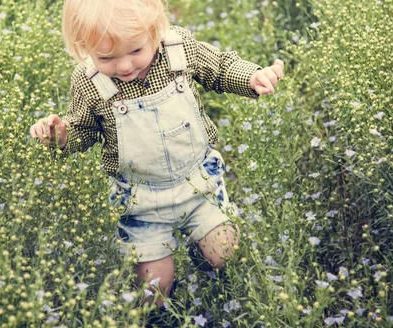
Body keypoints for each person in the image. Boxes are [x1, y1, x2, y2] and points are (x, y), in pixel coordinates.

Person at [30, 0, 284, 305]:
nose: (124, 66)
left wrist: (252, 77)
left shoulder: (179, 49)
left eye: (136, 50)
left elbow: (220, 67)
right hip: (141, 199)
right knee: (155, 288)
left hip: (197, 181)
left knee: (225, 253)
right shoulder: (89, 83)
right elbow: (84, 130)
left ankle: (208, 272)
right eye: (106, 57)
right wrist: (61, 135)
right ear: (84, 49)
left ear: (155, 29)